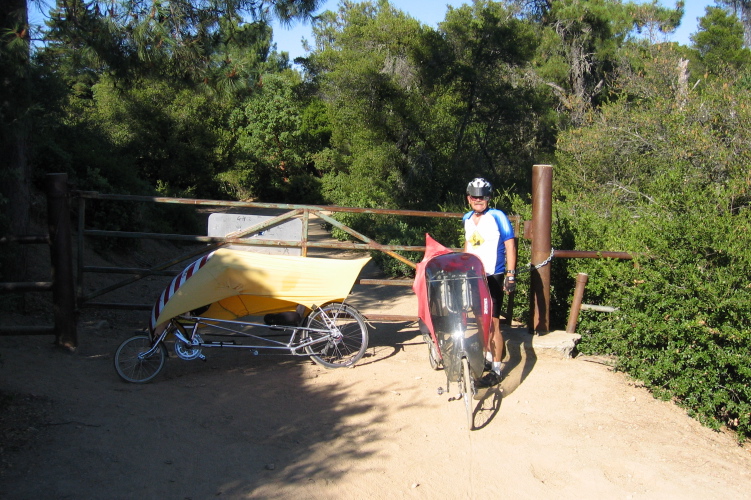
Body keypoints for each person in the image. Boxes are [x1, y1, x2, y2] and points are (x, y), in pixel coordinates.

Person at [463, 177, 517, 388]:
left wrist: (511, 276)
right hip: (475, 276)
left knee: (493, 324)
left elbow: (510, 246)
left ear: (488, 197)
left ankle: (496, 369)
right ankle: (486, 358)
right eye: (475, 196)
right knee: (479, 321)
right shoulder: (467, 218)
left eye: (483, 196)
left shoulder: (497, 216)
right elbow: (468, 245)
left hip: (493, 276)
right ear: (469, 198)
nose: (479, 200)